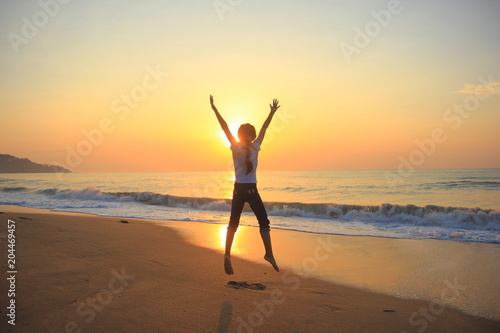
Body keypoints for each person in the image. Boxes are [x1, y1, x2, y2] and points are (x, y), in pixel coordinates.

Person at [210, 95, 280, 275]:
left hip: (238, 189)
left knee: (233, 223)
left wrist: (215, 109)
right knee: (263, 221)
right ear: (250, 135)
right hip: (251, 189)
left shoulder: (235, 146)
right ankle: (269, 254)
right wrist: (271, 112)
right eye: (253, 133)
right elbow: (265, 128)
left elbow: (224, 127)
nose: (256, 135)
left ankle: (227, 254)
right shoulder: (256, 146)